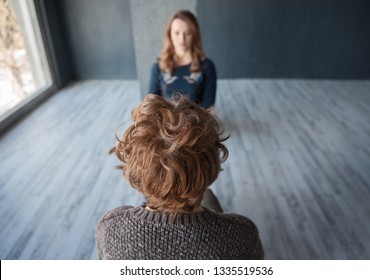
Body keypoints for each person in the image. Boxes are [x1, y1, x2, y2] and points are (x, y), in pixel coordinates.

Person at [95, 94, 264, 260]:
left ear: (134, 169)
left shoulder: (110, 227)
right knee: (210, 197)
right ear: (211, 167)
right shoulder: (242, 234)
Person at [148, 10, 216, 110]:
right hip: (165, 123)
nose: (182, 39)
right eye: (176, 33)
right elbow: (151, 103)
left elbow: (208, 108)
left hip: (195, 124)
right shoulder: (158, 65)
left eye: (187, 33)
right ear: (169, 34)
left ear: (194, 35)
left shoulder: (207, 66)